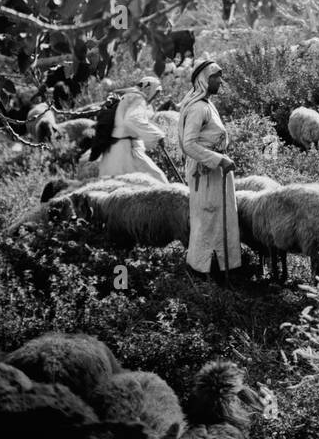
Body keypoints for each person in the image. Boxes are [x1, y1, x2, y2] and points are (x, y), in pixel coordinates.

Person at [179, 59, 241, 281]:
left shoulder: (207, 105)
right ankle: (203, 269)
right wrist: (218, 159)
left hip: (214, 170)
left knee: (219, 216)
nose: (220, 81)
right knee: (208, 216)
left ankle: (221, 265)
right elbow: (189, 144)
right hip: (204, 172)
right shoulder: (197, 109)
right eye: (216, 77)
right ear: (205, 80)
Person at [95, 88, 169, 183]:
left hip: (115, 149)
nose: (155, 97)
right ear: (149, 88)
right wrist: (158, 135)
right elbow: (133, 119)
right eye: (156, 92)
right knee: (159, 181)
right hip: (129, 149)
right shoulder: (138, 98)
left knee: (115, 185)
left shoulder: (126, 98)